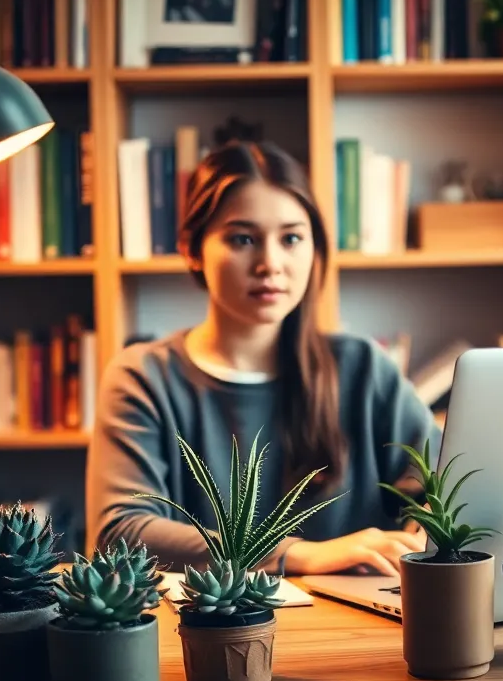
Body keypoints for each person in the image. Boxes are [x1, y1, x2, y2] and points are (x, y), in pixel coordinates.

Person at [86, 140, 441, 577]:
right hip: (206, 635)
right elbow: (121, 531)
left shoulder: (364, 369)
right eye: (243, 239)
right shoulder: (145, 378)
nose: (270, 263)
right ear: (192, 249)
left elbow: (440, 485)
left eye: (291, 238)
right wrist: (299, 554)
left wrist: (425, 531)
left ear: (315, 249)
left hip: (358, 629)